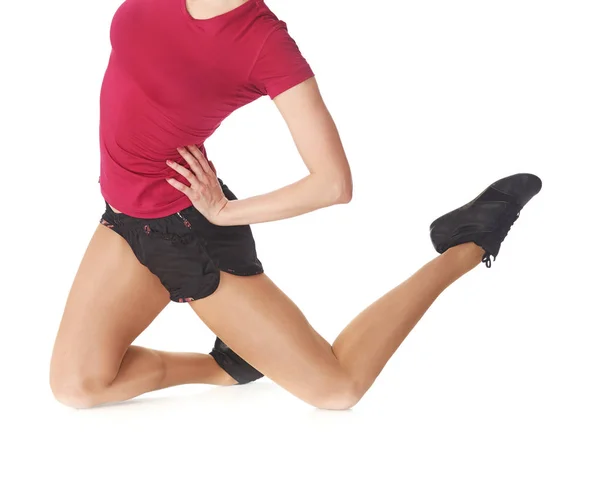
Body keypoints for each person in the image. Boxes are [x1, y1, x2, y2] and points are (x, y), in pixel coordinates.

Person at [49, 0, 542, 410]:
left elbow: (333, 183)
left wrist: (223, 212)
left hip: (187, 231)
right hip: (126, 217)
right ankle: (228, 366)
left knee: (338, 387)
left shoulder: (264, 43)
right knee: (77, 385)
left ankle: (469, 241)